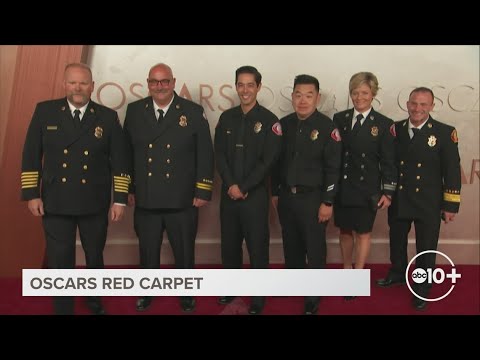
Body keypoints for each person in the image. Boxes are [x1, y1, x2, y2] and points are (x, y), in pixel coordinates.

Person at [21, 63, 130, 315]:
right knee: (60, 259)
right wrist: (31, 194)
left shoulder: (107, 116)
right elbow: (30, 155)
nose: (77, 88)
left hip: (94, 200)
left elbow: (120, 161)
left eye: (83, 83)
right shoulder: (45, 111)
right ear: (64, 84)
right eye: (73, 82)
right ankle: (63, 307)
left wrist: (120, 200)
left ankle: (94, 299)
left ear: (92, 86)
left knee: (94, 255)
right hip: (55, 200)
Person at [124, 63, 214, 313]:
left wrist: (202, 190)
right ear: (148, 83)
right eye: (154, 81)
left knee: (184, 251)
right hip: (146, 196)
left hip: (182, 198)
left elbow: (205, 154)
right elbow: (125, 154)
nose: (159, 86)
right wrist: (127, 188)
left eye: (164, 81)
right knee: (148, 250)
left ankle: (186, 293)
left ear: (174, 82)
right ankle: (147, 291)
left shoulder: (193, 112)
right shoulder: (134, 111)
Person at [376, 87, 461, 311]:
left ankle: (422, 287)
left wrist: (450, 205)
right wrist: (388, 192)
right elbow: (389, 164)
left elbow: (451, 171)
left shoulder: (444, 133)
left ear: (432, 106)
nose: (418, 108)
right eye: (414, 103)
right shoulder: (396, 130)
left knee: (426, 247)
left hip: (428, 201)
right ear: (407, 104)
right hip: (400, 197)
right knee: (397, 241)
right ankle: (398, 273)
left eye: (424, 104)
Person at [214, 66, 282, 315]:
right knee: (229, 246)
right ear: (236, 87)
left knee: (257, 247)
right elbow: (219, 154)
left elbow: (268, 162)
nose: (245, 90)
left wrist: (243, 187)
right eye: (240, 85)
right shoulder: (226, 118)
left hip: (254, 197)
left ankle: (258, 297)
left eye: (250, 85)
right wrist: (232, 185)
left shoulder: (270, 121)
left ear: (259, 87)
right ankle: (230, 288)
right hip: (229, 196)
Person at [271, 74, 342, 315]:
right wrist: (275, 193)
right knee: (291, 244)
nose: (303, 100)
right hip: (287, 198)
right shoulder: (284, 124)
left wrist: (328, 202)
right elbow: (276, 163)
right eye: (298, 95)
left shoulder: (327, 127)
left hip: (314, 199)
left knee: (314, 248)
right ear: (292, 96)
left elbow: (334, 169)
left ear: (317, 98)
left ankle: (313, 294)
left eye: (309, 95)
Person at [332, 72, 397, 300]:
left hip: (367, 190)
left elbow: (389, 161)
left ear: (373, 94)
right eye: (355, 92)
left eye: (364, 93)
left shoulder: (383, 124)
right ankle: (347, 270)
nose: (359, 97)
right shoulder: (339, 119)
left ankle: (357, 278)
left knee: (363, 233)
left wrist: (388, 191)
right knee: (345, 231)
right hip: (343, 187)